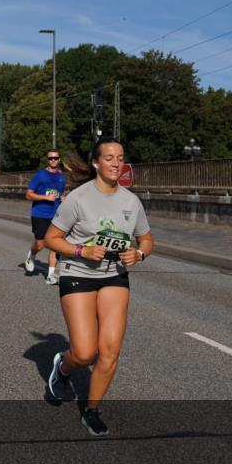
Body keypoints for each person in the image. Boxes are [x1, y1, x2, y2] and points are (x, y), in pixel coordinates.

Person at [44, 137, 154, 437]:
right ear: (95, 162)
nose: (116, 163)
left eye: (120, 157)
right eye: (109, 157)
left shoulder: (131, 201)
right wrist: (81, 251)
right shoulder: (78, 199)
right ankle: (63, 368)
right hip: (77, 271)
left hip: (113, 275)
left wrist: (139, 253)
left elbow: (146, 238)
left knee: (109, 350)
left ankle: (91, 410)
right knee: (84, 352)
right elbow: (51, 239)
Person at [25, 149, 67, 285]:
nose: (53, 160)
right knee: (40, 244)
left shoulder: (62, 176)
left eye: (55, 158)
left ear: (59, 159)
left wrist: (63, 198)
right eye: (50, 158)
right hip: (40, 214)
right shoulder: (40, 176)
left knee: (56, 244)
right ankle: (31, 256)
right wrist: (44, 197)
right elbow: (28, 194)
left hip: (56, 215)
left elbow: (60, 194)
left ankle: (50, 275)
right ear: (47, 160)